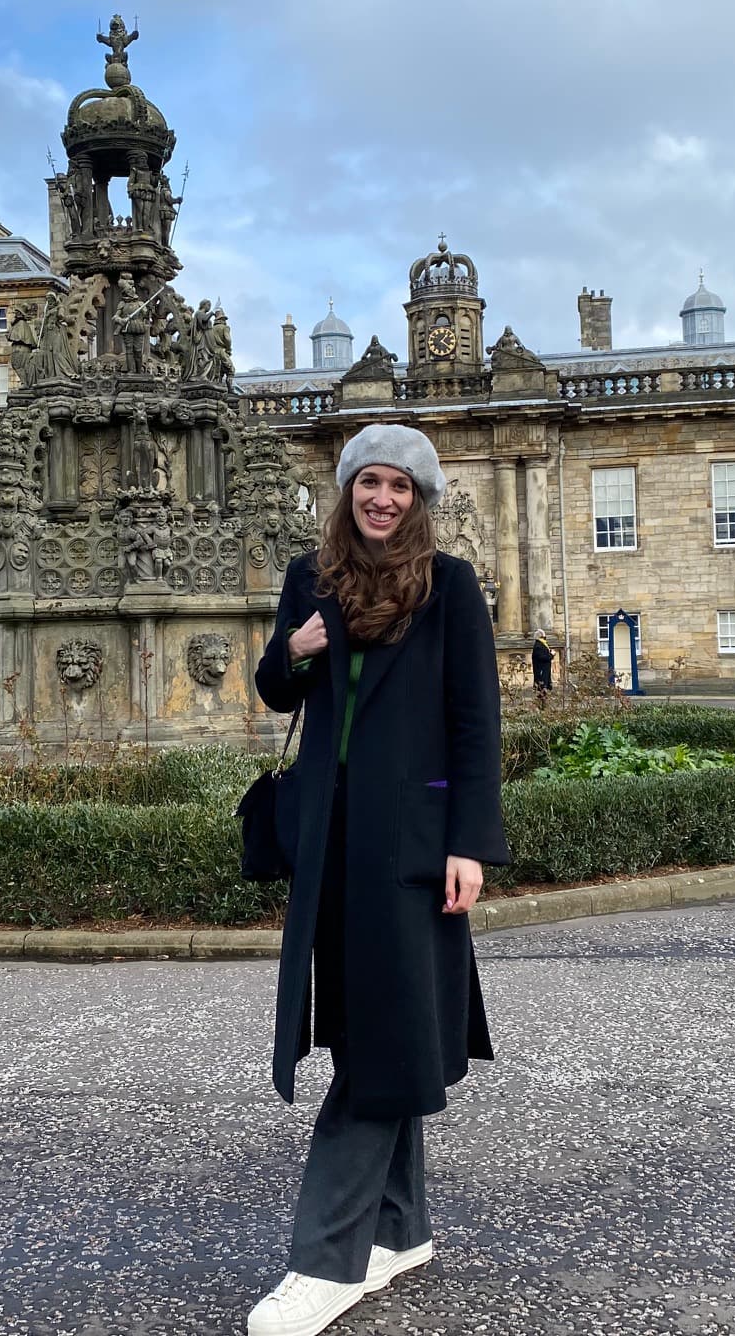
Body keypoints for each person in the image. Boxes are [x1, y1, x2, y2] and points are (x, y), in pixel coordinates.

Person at [248, 423, 507, 1336]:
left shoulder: (451, 587)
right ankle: (400, 1229)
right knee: (375, 1022)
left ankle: (324, 1262)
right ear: (348, 490)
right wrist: (299, 646)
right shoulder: (309, 578)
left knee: (381, 1036)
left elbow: (476, 722)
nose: (383, 498)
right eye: (369, 482)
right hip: (330, 838)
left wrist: (470, 844)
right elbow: (275, 689)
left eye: (400, 485)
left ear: (419, 499)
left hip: (414, 842)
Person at [531, 629, 554, 697]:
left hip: (544, 669)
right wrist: (551, 655)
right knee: (542, 688)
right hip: (541, 670)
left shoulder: (542, 644)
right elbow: (543, 657)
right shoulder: (538, 646)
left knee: (544, 687)